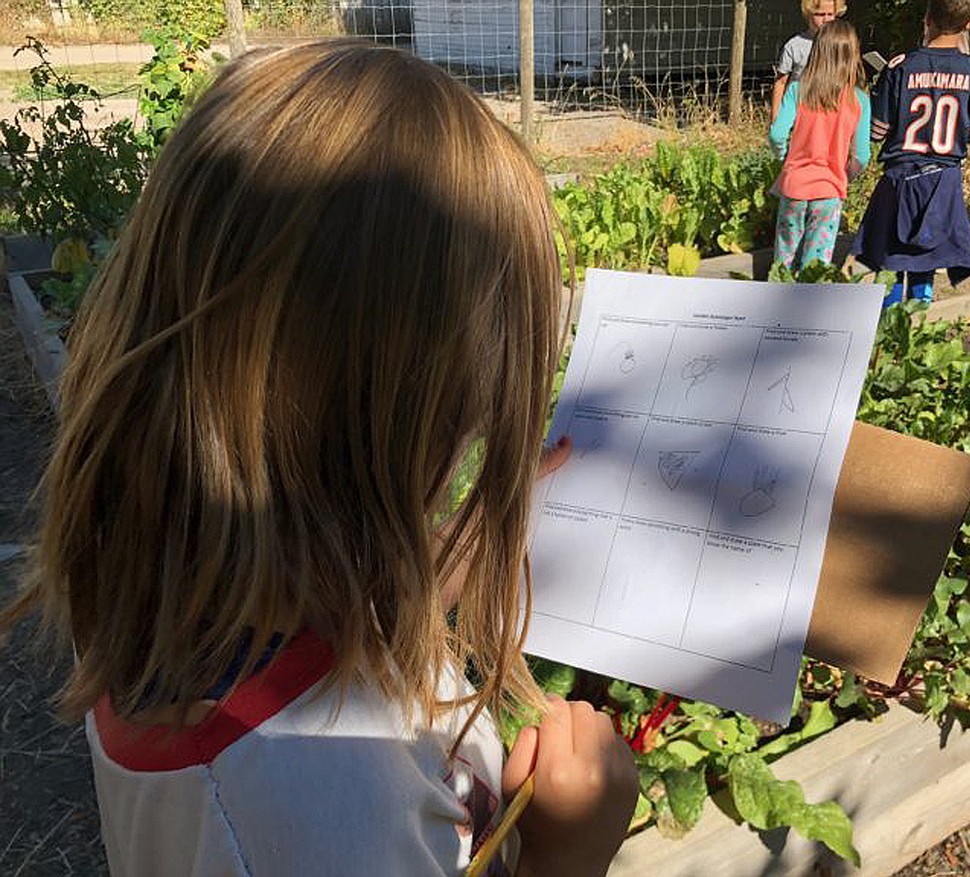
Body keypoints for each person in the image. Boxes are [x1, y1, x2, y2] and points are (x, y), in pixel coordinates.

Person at [0, 41, 637, 877]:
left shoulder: (173, 601)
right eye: (465, 431)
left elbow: (318, 631)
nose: (468, 455)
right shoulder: (321, 816)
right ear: (395, 433)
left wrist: (441, 555)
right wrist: (566, 853)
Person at [850, 0, 970, 307]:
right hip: (944, 180)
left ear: (927, 18)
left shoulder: (900, 66)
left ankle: (886, 329)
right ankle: (918, 326)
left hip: (900, 179)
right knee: (928, 256)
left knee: (891, 260)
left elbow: (877, 132)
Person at [768, 19, 871, 272]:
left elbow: (777, 134)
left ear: (816, 51)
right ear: (852, 56)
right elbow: (862, 155)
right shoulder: (859, 99)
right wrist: (844, 176)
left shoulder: (796, 90)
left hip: (794, 185)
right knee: (816, 265)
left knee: (783, 260)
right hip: (829, 189)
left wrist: (785, 159)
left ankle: (778, 306)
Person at [771, 0, 845, 122]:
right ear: (809, 14)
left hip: (830, 115)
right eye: (820, 15)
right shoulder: (795, 45)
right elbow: (781, 83)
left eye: (830, 14)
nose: (826, 20)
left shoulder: (841, 45)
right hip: (800, 111)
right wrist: (776, 118)